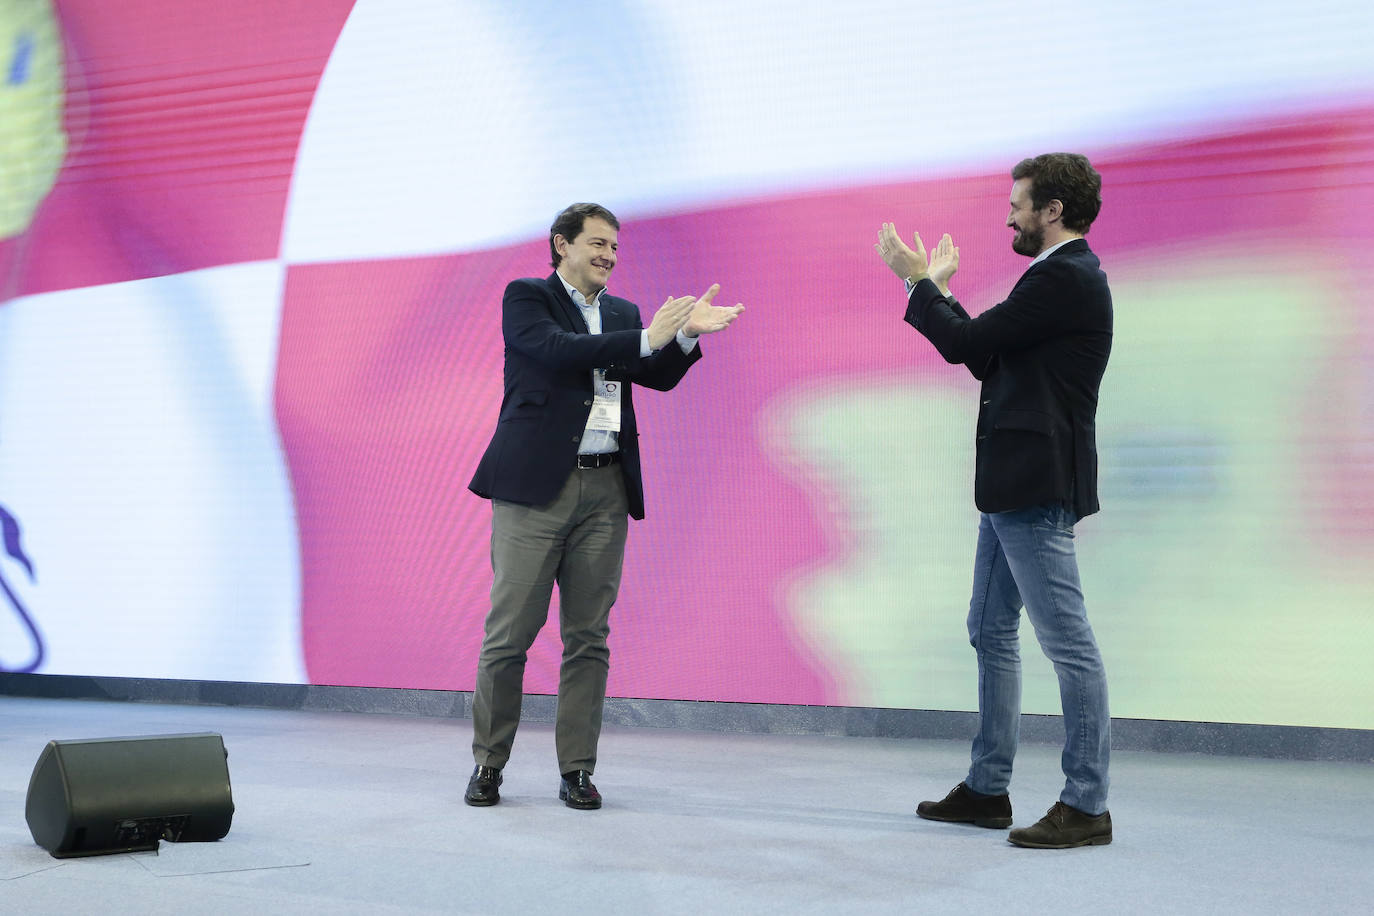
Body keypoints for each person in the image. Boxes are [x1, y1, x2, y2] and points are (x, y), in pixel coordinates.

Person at [465, 202, 743, 810]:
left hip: (606, 487)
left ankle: (578, 771)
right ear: (561, 244)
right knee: (510, 635)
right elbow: (559, 352)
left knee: (589, 637)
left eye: (614, 247)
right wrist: (648, 337)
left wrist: (687, 335)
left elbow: (657, 375)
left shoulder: (620, 312)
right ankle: (489, 763)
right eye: (596, 243)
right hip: (536, 489)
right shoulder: (527, 297)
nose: (608, 256)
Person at [875, 153, 1114, 848]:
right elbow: (987, 356)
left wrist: (919, 282)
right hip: (1014, 488)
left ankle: (1087, 802)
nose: (1008, 213)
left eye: (1018, 203)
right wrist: (939, 294)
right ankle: (987, 789)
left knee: (1068, 646)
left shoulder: (1065, 277)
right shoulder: (1054, 280)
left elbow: (967, 344)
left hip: (1034, 490)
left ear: (1053, 211)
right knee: (990, 629)